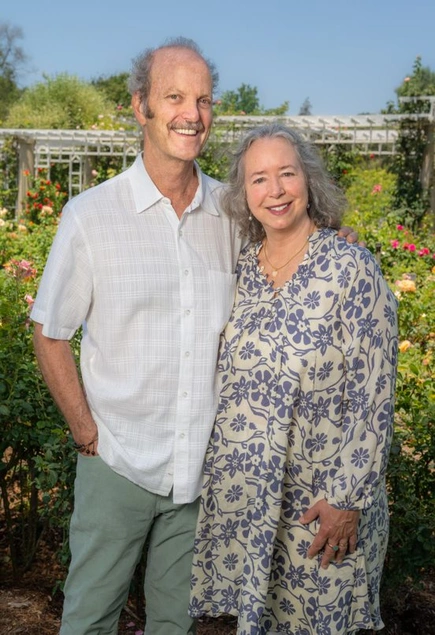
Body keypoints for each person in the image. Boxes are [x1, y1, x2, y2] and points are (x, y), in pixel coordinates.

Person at [31, 39, 358, 635]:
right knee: (87, 620)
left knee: (176, 626)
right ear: (141, 107)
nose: (191, 113)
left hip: (201, 471)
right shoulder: (91, 216)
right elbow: (49, 331)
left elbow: (288, 239)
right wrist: (85, 430)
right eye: (174, 96)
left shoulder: (232, 214)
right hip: (118, 461)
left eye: (203, 99)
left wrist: (339, 241)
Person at [188, 124, 398, 635]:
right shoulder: (244, 270)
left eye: (287, 173)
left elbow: (375, 396)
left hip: (320, 506)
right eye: (259, 179)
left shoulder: (350, 267)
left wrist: (347, 501)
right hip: (249, 504)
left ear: (309, 180)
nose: (275, 190)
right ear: (244, 194)